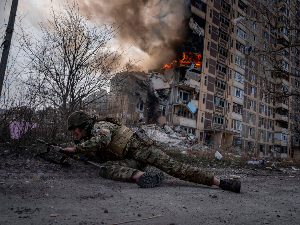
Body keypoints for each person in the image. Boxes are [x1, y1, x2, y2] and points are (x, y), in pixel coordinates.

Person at [63, 111, 241, 193]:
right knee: (105, 168)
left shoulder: (99, 127)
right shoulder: (90, 135)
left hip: (145, 151)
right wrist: (78, 154)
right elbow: (100, 153)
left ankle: (222, 183)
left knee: (177, 169)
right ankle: (140, 176)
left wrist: (76, 148)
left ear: (83, 124)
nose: (74, 133)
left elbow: (102, 139)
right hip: (134, 160)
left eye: (75, 129)